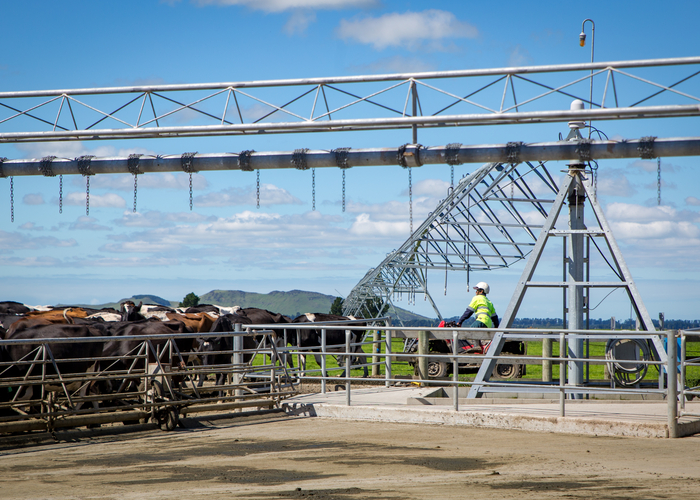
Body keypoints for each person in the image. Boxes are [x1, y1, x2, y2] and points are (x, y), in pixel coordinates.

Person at [456, 282, 499, 353]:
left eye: (477, 290)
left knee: (471, 331)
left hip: (480, 320)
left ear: (481, 291)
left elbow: (469, 311)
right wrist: (497, 328)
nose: (475, 292)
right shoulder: (489, 302)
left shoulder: (477, 298)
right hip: (487, 323)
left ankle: (477, 347)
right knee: (480, 337)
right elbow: (495, 317)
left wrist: (460, 321)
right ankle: (481, 348)